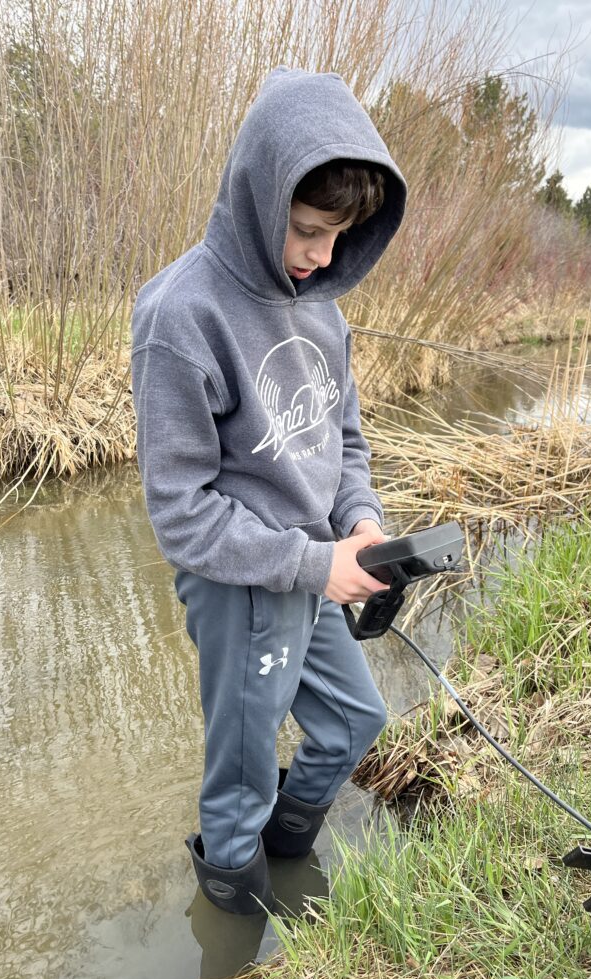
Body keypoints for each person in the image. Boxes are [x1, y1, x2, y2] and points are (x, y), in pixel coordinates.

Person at [131, 67, 407, 915]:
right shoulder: (181, 315)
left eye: (340, 234)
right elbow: (181, 512)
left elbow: (342, 441)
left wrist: (358, 522)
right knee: (241, 777)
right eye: (309, 229)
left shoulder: (321, 304)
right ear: (259, 192)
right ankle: (232, 943)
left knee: (356, 722)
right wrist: (313, 564)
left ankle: (287, 860)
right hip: (240, 578)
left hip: (316, 563)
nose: (323, 256)